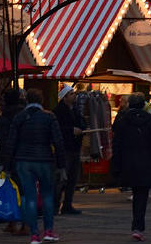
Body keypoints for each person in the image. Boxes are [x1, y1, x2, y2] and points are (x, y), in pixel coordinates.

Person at [4, 88, 66, 244]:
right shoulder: (49, 117)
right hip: (45, 159)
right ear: (41, 100)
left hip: (24, 160)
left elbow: (11, 142)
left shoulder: (19, 117)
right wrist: (62, 165)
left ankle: (34, 234)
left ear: (26, 100)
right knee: (47, 196)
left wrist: (6, 164)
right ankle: (49, 231)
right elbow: (58, 142)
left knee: (29, 197)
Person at [112, 94, 151, 242]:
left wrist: (116, 165)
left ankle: (137, 225)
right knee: (142, 196)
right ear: (143, 105)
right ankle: (138, 226)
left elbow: (117, 144)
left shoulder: (123, 121)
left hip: (129, 162)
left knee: (136, 193)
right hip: (147, 162)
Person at [0, 88, 26, 235]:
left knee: (10, 190)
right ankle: (25, 223)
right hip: (24, 155)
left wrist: (1, 160)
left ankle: (12, 222)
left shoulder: (3, 118)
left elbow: (3, 141)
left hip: (9, 157)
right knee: (24, 191)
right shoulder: (24, 115)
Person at [53, 84, 86, 215]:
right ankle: (55, 205)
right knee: (61, 179)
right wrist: (71, 130)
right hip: (65, 148)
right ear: (64, 97)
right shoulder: (58, 112)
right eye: (71, 94)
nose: (75, 95)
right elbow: (57, 129)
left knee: (72, 178)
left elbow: (82, 123)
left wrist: (81, 129)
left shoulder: (76, 110)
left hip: (75, 147)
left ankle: (67, 204)